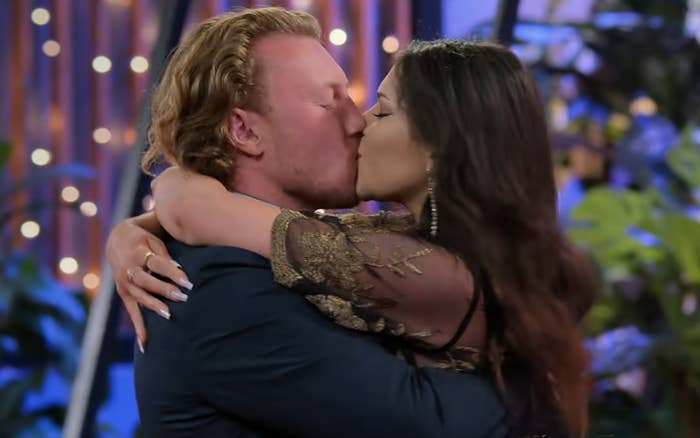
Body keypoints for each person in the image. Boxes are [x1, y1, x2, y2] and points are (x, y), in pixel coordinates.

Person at [120, 36, 597, 437]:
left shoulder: (431, 271)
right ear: (244, 130)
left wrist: (176, 195)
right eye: (330, 101)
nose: (357, 122)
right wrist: (140, 227)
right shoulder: (224, 290)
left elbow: (429, 421)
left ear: (439, 149)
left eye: (380, 111)